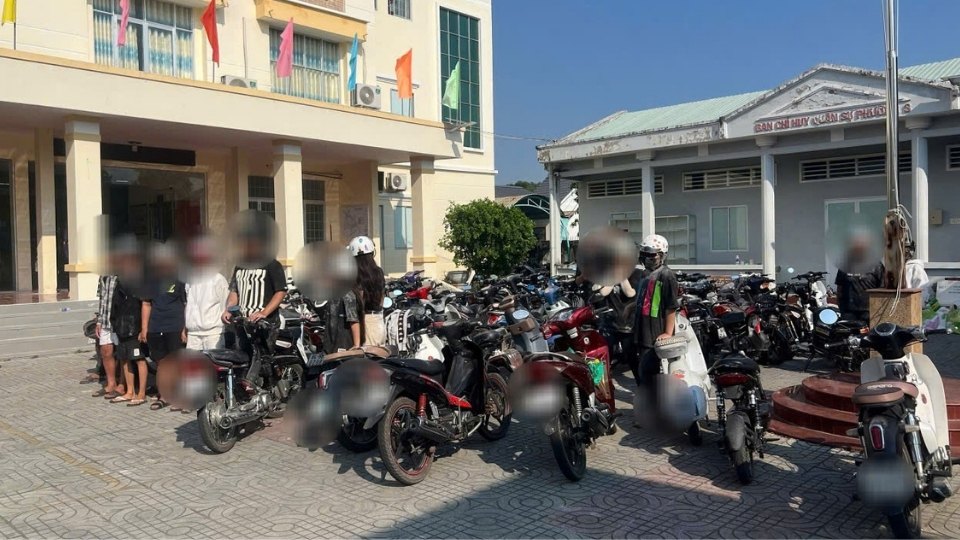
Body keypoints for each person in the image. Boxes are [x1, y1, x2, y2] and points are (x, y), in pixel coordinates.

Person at [140, 243, 187, 411]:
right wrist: (144, 328)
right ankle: (164, 396)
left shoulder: (180, 278)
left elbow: (186, 303)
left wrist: (184, 328)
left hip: (174, 326)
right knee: (161, 364)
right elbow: (146, 304)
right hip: (155, 327)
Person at [633, 234, 679, 388]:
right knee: (644, 371)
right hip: (643, 331)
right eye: (644, 255)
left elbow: (671, 306)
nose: (648, 259)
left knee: (650, 372)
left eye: (652, 255)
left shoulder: (666, 275)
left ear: (662, 255)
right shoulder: (645, 274)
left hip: (655, 333)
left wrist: (667, 332)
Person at [110, 236, 148, 406]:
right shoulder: (120, 280)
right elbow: (114, 304)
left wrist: (143, 328)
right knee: (124, 359)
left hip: (135, 326)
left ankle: (141, 393)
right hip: (122, 326)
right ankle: (129, 391)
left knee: (139, 359)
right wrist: (113, 324)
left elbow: (144, 304)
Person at [185, 235, 230, 350]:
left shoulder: (218, 279)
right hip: (193, 333)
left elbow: (226, 305)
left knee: (213, 366)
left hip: (213, 334)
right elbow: (188, 305)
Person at [835, 232, 883, 323]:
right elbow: (839, 289)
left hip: (869, 311)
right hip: (849, 312)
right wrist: (841, 308)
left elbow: (882, 288)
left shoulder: (876, 265)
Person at [348, 236, 386, 347]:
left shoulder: (355, 275)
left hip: (366, 323)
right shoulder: (378, 272)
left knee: (367, 360)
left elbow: (358, 305)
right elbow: (381, 299)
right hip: (379, 320)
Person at [92, 272, 124, 399]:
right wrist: (99, 321)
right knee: (105, 351)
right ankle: (111, 383)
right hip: (105, 320)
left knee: (122, 354)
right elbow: (102, 300)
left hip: (120, 320)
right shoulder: (103, 276)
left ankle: (122, 384)